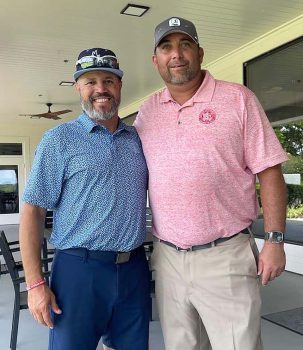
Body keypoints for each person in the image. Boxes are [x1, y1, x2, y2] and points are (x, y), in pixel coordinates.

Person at [134, 17, 288, 350]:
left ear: (200, 53)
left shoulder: (238, 99)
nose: (177, 55)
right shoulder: (147, 111)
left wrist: (275, 240)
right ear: (155, 60)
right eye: (167, 47)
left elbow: (270, 171)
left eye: (185, 45)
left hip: (225, 257)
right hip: (169, 258)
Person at [19, 47, 150, 350]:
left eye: (109, 80)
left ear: (119, 86)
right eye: (90, 82)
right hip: (79, 271)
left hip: (133, 269)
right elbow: (34, 211)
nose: (100, 89)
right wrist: (36, 283)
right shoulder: (59, 140)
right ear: (78, 87)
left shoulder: (138, 140)